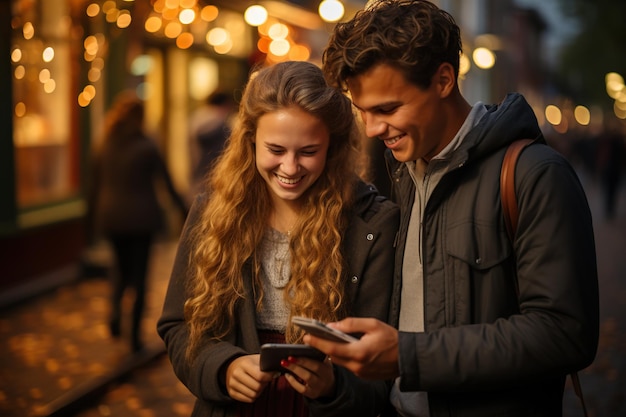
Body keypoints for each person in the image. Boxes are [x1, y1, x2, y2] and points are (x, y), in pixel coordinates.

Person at [303, 1, 600, 416]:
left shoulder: (535, 175)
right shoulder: (402, 171)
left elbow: (565, 334)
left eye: (387, 109)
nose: (371, 129)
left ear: (444, 79)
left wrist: (409, 355)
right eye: (363, 112)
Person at [157, 60, 400, 417]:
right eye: (275, 150)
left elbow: (382, 369)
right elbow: (178, 326)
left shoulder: (372, 223)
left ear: (332, 147)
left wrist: (334, 387)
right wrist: (222, 368)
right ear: (250, 138)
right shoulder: (213, 213)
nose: (289, 168)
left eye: (307, 152)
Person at [90, 91, 188, 353]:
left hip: (111, 218)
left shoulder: (105, 143)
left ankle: (113, 317)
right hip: (141, 220)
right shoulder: (147, 145)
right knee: (140, 277)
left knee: (119, 271)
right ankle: (134, 338)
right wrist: (188, 211)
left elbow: (94, 185)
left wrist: (91, 222)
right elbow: (167, 183)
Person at [188, 90, 236, 200]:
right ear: (225, 105)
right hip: (213, 181)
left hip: (195, 178)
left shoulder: (195, 119)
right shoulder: (221, 126)